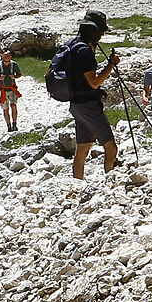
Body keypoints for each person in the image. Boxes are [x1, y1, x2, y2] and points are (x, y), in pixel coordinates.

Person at [62, 11, 122, 180]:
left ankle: (77, 182)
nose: (102, 35)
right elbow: (94, 82)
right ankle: (110, 182)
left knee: (83, 147)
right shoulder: (85, 51)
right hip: (88, 105)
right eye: (101, 32)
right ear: (94, 31)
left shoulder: (72, 44)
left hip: (75, 104)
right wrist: (111, 64)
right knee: (111, 147)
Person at [0, 47, 22, 133]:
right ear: (2, 59)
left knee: (13, 105)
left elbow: (19, 74)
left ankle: (14, 124)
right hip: (2, 89)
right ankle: (8, 126)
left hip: (12, 88)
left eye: (8, 61)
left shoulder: (14, 64)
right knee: (5, 109)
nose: (7, 63)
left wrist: (15, 77)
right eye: (5, 61)